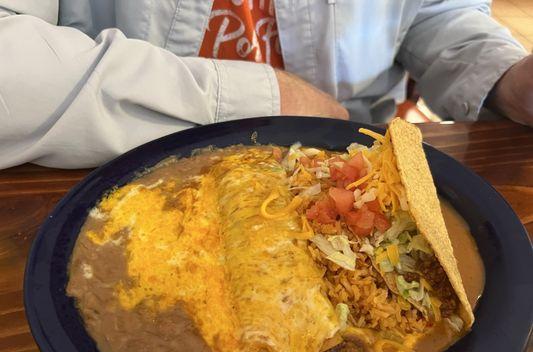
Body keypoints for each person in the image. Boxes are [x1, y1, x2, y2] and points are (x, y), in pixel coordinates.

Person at [0, 0, 531, 169]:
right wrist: (261, 100)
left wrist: (504, 76)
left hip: (359, 163)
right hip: (122, 168)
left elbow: (433, 12)